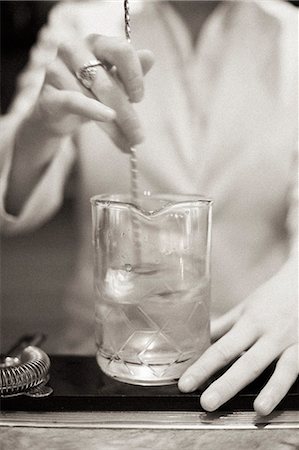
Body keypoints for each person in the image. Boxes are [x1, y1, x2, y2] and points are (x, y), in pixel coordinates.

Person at [0, 0, 298, 416]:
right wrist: (39, 129)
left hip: (259, 361)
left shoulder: (294, 33)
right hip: (102, 372)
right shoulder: (82, 20)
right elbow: (9, 207)